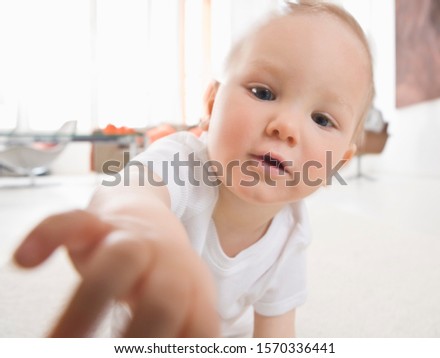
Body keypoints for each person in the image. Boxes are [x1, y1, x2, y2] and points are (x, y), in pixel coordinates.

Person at [13, 0, 374, 338]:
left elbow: (277, 330)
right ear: (213, 105)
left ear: (335, 165)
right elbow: (133, 189)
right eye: (263, 93)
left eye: (322, 119)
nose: (286, 126)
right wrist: (140, 223)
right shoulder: (183, 162)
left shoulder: (292, 230)